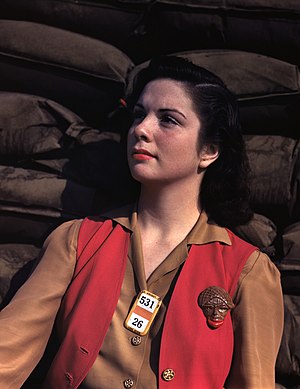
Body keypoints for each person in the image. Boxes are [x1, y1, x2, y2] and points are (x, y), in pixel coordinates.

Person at [0, 55, 283, 389]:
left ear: (208, 150)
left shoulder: (248, 271)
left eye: (168, 120)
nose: (141, 129)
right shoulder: (78, 241)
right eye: (139, 115)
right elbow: (9, 353)